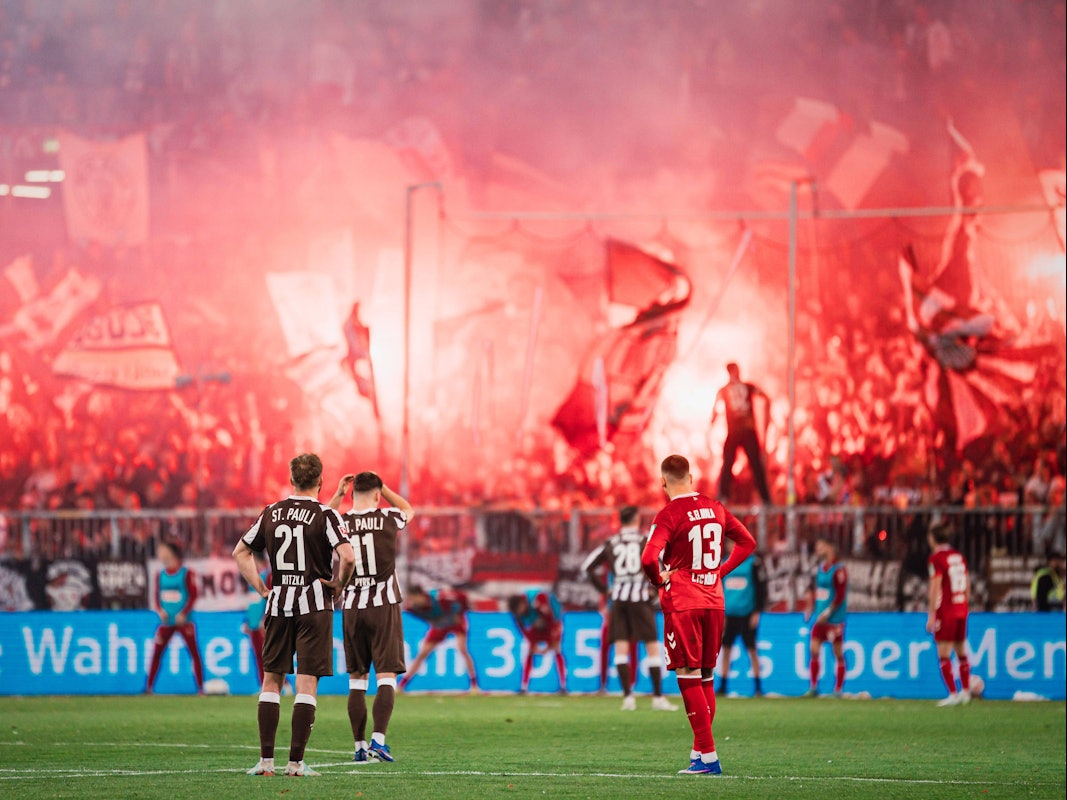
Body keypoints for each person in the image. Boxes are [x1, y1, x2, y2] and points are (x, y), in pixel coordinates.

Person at [234, 453, 355, 778]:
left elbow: (241, 551)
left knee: (271, 680)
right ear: (320, 480)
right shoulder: (326, 515)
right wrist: (338, 586)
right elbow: (348, 558)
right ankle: (296, 764)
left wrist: (262, 588)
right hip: (314, 606)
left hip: (278, 603)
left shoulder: (272, 512)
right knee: (306, 684)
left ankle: (266, 763)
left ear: (291, 479)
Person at [640, 454, 756, 776]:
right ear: (690, 477)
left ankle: (709, 757)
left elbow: (649, 558)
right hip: (714, 601)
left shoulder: (668, 514)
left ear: (663, 482)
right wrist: (720, 571)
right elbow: (747, 542)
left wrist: (659, 578)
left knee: (688, 676)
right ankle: (699, 753)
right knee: (705, 675)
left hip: (685, 602)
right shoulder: (715, 507)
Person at [329, 471, 414, 763]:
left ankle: (359, 747)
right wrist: (386, 488)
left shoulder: (339, 521)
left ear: (352, 495)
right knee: (386, 676)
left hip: (352, 606)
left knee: (357, 680)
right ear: (377, 495)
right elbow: (409, 510)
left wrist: (338, 495)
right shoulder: (389, 517)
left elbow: (320, 523)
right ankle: (379, 740)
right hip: (383, 604)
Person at [581, 505, 677, 711]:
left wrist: (605, 590)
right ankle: (658, 698)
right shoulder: (645, 541)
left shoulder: (611, 542)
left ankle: (627, 698)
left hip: (619, 599)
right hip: (641, 599)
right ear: (636, 519)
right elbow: (664, 566)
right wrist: (655, 589)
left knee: (621, 649)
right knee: (652, 647)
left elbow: (587, 567)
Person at [145, 539, 205, 695]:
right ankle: (149, 688)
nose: (159, 553)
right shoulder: (160, 574)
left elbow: (193, 595)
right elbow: (156, 596)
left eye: (162, 550)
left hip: (184, 621)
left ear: (170, 552)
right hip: (166, 621)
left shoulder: (186, 573)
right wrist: (160, 610)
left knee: (194, 653)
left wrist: (184, 613)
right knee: (157, 653)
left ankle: (200, 688)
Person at [709, 362, 771, 504]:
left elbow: (715, 409)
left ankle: (724, 496)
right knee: (754, 464)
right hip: (746, 430)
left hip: (736, 431)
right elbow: (764, 396)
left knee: (731, 463)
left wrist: (712, 421)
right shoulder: (748, 387)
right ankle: (765, 498)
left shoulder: (724, 390)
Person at [399, 585, 479, 693]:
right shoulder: (411, 608)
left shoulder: (439, 597)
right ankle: (401, 686)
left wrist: (460, 612)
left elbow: (462, 597)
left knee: (462, 649)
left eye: (413, 598)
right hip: (440, 626)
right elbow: (424, 617)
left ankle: (474, 686)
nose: (412, 601)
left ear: (420, 595)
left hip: (455, 622)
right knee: (422, 654)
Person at [926, 520, 972, 706]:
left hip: (946, 610)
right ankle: (966, 692)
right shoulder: (958, 556)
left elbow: (935, 586)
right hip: (961, 608)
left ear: (932, 539)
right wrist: (965, 603)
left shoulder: (936, 559)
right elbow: (967, 582)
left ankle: (953, 693)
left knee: (943, 654)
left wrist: (931, 614)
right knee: (961, 651)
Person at [719, 542, 767, 697]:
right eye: (728, 544)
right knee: (726, 649)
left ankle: (758, 687)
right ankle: (723, 686)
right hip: (729, 613)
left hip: (747, 613)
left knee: (752, 650)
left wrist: (757, 611)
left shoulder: (753, 563)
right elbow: (719, 588)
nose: (730, 546)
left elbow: (762, 588)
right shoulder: (723, 563)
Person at [803, 537, 848, 698]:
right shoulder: (819, 568)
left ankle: (838, 690)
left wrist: (827, 613)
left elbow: (840, 595)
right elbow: (813, 589)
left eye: (821, 546)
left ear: (830, 548)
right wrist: (810, 607)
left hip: (833, 618)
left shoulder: (839, 570)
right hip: (819, 617)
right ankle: (814, 687)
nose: (818, 550)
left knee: (837, 653)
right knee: (813, 649)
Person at [508, 589, 567, 694]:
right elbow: (523, 630)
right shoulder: (518, 613)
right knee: (530, 651)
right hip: (538, 623)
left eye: (520, 610)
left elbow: (551, 620)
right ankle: (524, 687)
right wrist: (533, 645)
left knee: (557, 648)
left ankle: (563, 686)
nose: (520, 613)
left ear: (522, 604)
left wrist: (549, 645)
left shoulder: (538, 599)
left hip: (554, 621)